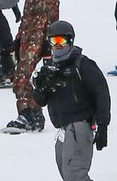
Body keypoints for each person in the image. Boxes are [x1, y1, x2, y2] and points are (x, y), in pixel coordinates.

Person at [32, 21, 111, 181]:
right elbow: (41, 101)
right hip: (62, 129)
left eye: (62, 40)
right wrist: (40, 88)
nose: (58, 45)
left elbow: (101, 92)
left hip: (79, 125)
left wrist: (103, 125)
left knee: (75, 175)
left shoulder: (82, 65)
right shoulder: (50, 69)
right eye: (54, 41)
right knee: (66, 173)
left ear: (70, 41)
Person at [3, 0, 59, 134]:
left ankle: (27, 114)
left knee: (21, 78)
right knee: (20, 78)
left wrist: (49, 48)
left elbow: (52, 23)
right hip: (27, 43)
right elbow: (26, 20)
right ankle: (33, 115)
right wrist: (18, 40)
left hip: (38, 44)